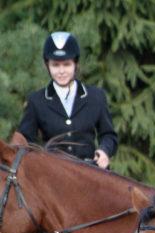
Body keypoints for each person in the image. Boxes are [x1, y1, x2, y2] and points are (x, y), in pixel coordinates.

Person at [17, 31, 117, 167]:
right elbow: (24, 142)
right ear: (47, 65)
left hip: (90, 171)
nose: (61, 71)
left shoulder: (96, 96)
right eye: (55, 65)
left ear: (76, 64)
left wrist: (104, 151)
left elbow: (109, 135)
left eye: (66, 64)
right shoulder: (36, 101)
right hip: (53, 173)